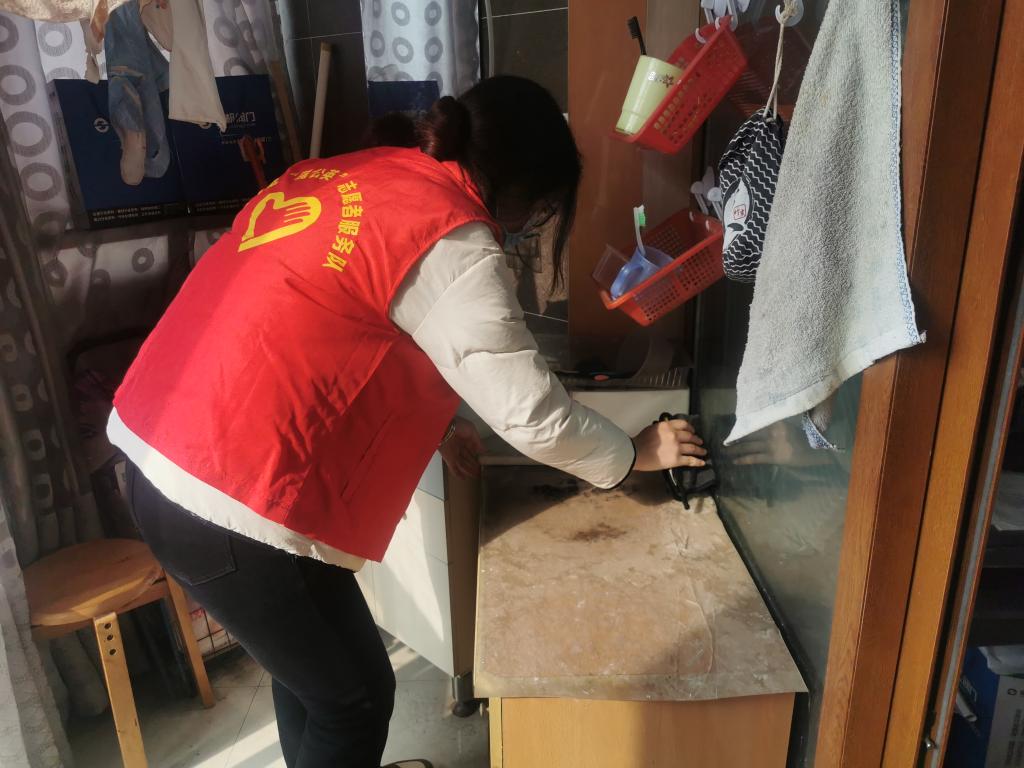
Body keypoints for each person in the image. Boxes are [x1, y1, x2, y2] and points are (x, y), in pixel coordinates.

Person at [108, 75, 706, 768]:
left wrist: (438, 424)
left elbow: (333, 320)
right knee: (354, 700)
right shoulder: (451, 231)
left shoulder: (355, 173)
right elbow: (531, 416)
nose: (531, 226)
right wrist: (635, 451)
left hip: (160, 451)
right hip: (229, 497)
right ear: (524, 191)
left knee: (314, 681)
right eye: (542, 211)